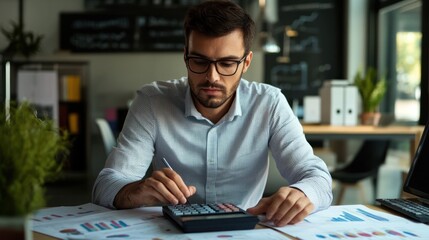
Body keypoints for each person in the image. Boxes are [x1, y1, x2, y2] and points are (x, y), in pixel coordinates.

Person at [93, 0, 332, 227]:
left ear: (246, 63)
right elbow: (105, 185)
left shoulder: (269, 103)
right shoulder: (152, 102)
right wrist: (135, 191)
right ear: (185, 56)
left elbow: (317, 178)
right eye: (200, 61)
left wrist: (301, 193)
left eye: (227, 64)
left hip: (245, 230)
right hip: (171, 230)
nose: (212, 77)